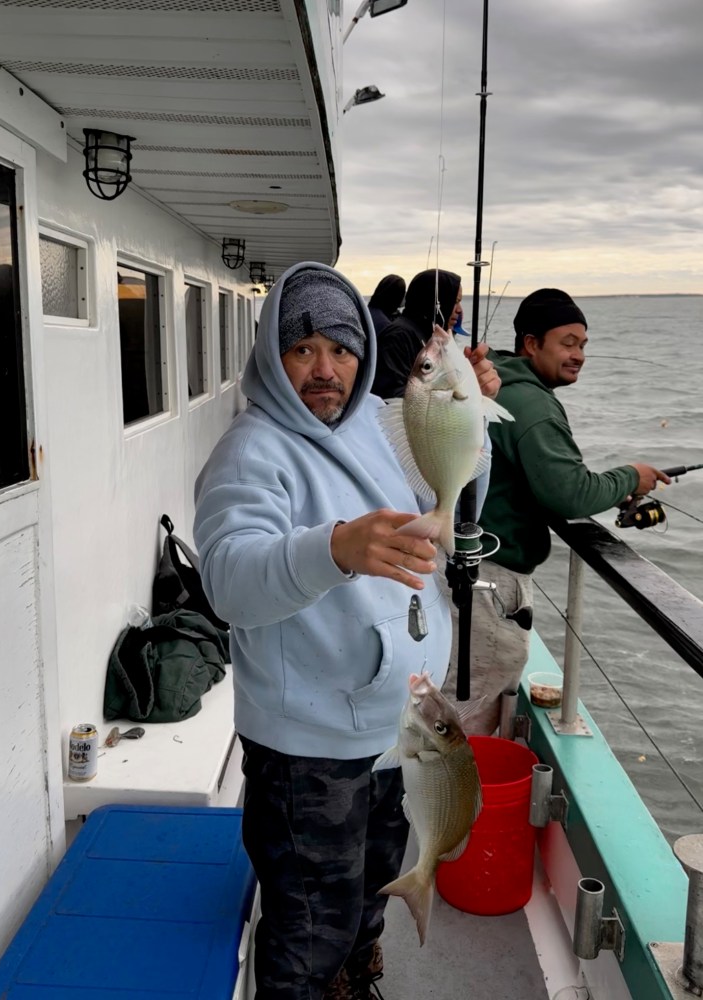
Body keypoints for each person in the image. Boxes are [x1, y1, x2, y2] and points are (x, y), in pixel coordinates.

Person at [193, 262, 496, 1000]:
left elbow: (447, 499)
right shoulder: (250, 451)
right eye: (302, 349)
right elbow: (228, 579)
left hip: (395, 726)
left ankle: (356, 981)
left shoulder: (374, 423)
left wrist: (474, 419)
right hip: (310, 750)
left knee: (370, 889)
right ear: (272, 357)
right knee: (309, 926)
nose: (325, 369)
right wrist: (331, 549)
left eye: (340, 348)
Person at [441, 287, 671, 734]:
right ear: (532, 343)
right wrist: (631, 477)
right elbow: (569, 493)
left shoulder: (502, 384)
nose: (578, 355)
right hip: (491, 578)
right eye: (567, 343)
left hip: (461, 567)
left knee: (449, 702)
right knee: (466, 717)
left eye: (583, 344)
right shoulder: (533, 405)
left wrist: (609, 489)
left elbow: (542, 478)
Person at [371, 267, 462, 399]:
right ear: (436, 301)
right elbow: (391, 395)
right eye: (455, 302)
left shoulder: (430, 336)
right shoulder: (399, 336)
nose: (459, 310)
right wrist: (448, 397)